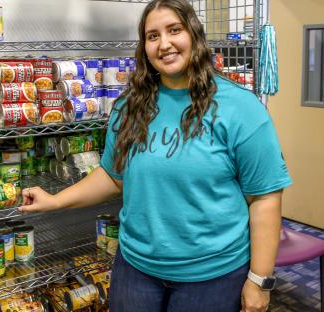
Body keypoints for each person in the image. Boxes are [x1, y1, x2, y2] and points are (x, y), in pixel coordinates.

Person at [19, 0, 292, 311]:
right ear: (144, 46)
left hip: (212, 276)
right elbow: (113, 175)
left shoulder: (240, 108)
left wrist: (260, 280)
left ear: (194, 35)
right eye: (153, 35)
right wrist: (55, 200)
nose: (164, 44)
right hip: (136, 268)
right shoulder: (129, 106)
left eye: (174, 30)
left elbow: (265, 198)